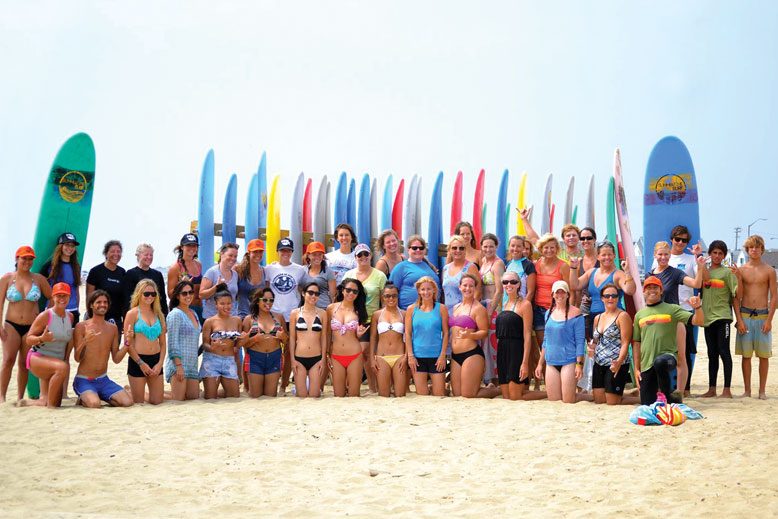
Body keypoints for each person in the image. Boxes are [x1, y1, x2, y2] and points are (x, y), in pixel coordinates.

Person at [632, 276, 704, 405]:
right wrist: (637, 368)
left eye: (655, 287)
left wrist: (698, 308)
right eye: (648, 288)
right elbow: (637, 343)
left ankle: (671, 398)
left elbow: (698, 321)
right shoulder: (639, 315)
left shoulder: (672, 309)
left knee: (660, 362)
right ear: (643, 291)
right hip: (647, 364)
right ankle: (665, 399)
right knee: (647, 404)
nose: (652, 290)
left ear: (661, 291)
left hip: (668, 358)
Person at [649, 241, 705, 396]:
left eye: (666, 254)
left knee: (681, 357)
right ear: (655, 255)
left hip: (674, 320)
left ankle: (680, 392)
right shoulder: (650, 275)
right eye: (660, 254)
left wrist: (699, 267)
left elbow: (696, 283)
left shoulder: (675, 273)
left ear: (670, 255)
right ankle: (660, 391)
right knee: (656, 358)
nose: (663, 257)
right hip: (656, 322)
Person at [0, 246, 51, 403]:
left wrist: (45, 318)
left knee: (24, 363)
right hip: (11, 325)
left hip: (31, 328)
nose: (27, 262)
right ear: (17, 259)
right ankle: (1, 396)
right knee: (8, 360)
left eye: (30, 259)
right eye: (24, 258)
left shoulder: (39, 279)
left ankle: (20, 397)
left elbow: (53, 298)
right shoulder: (7, 279)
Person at [72, 290, 134, 408]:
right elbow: (77, 358)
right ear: (91, 305)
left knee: (127, 402)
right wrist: (85, 341)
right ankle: (86, 397)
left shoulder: (112, 328)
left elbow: (116, 359)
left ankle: (96, 395)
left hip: (103, 380)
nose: (102, 305)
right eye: (98, 302)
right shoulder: (81, 326)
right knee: (94, 404)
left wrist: (127, 343)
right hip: (84, 379)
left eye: (105, 302)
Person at [732, 235, 776, 399]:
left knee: (764, 356)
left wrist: (770, 320)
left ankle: (762, 391)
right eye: (751, 247)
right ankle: (747, 390)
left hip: (763, 316)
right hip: (745, 315)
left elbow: (775, 297)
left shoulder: (769, 270)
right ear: (747, 250)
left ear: (762, 249)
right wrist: (739, 320)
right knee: (746, 356)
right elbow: (737, 297)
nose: (754, 250)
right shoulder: (741, 270)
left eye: (757, 247)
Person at [568, 241, 636, 339]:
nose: (607, 257)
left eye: (609, 255)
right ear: (598, 256)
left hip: (614, 318)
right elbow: (575, 285)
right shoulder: (591, 272)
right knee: (595, 349)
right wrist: (573, 267)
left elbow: (630, 290)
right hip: (594, 318)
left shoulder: (618, 274)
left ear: (614, 256)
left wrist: (627, 272)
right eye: (603, 255)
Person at [264, 238, 306, 394]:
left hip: (292, 316)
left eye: (288, 250)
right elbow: (266, 290)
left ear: (292, 252)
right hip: (274, 315)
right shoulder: (269, 269)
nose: (285, 253)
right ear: (278, 251)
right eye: (282, 250)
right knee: (273, 349)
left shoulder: (300, 270)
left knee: (289, 351)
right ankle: (272, 381)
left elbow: (304, 288)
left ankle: (284, 384)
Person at [21, 282, 73, 407]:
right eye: (58, 295)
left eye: (64, 295)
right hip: (38, 358)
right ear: (53, 297)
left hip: (55, 362)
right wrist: (41, 338)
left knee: (56, 402)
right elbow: (28, 339)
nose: (61, 299)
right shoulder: (46, 315)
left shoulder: (70, 317)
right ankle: (49, 409)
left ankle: (32, 402)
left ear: (69, 297)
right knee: (63, 368)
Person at [534, 281, 586, 403]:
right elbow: (546, 341)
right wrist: (540, 363)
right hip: (551, 361)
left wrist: (579, 365)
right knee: (554, 402)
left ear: (568, 294)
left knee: (568, 401)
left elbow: (580, 342)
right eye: (557, 292)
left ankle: (589, 397)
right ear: (552, 294)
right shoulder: (548, 313)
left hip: (569, 360)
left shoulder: (576, 314)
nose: (560, 294)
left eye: (563, 291)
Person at [496, 271, 545, 401]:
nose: (509, 284)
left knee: (516, 396)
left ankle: (552, 394)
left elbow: (527, 335)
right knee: (506, 396)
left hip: (516, 350)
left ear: (519, 284)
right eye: (505, 282)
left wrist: (524, 363)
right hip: (502, 350)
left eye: (513, 282)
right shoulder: (503, 304)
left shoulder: (525, 304)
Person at [345, 243, 387, 393]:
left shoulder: (379, 276)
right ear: (355, 257)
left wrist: (382, 319)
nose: (363, 257)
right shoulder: (348, 275)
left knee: (365, 354)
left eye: (366, 254)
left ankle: (372, 387)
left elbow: (384, 300)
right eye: (359, 255)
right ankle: (352, 385)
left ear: (370, 256)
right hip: (351, 319)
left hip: (370, 320)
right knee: (352, 354)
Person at [449, 274, 498, 398]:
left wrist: (470, 335)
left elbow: (484, 332)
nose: (468, 288)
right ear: (459, 287)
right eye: (465, 285)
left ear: (475, 288)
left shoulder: (478, 308)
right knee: (457, 394)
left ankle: (498, 390)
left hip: (471, 354)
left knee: (468, 394)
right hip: (455, 355)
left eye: (471, 286)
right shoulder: (456, 307)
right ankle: (487, 386)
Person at [700, 240, 738, 399]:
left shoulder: (727, 273)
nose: (717, 256)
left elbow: (736, 295)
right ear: (710, 254)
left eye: (720, 253)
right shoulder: (704, 271)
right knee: (711, 354)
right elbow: (703, 285)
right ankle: (712, 388)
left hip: (723, 317)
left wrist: (739, 319)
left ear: (724, 255)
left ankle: (727, 390)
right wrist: (700, 262)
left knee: (724, 352)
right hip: (708, 318)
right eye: (714, 252)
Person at [590, 284, 639, 405]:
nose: (610, 298)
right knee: (599, 400)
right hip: (599, 361)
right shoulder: (598, 318)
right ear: (602, 298)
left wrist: (619, 362)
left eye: (614, 295)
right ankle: (628, 393)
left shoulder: (622, 316)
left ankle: (646, 399)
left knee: (612, 402)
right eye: (607, 296)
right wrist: (591, 347)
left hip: (616, 362)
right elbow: (595, 339)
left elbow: (625, 343)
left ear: (618, 298)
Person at [123, 279, 167, 404]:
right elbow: (128, 343)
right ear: (139, 294)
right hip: (138, 360)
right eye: (146, 294)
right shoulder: (132, 314)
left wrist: (160, 364)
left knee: (157, 401)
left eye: (153, 294)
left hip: (156, 359)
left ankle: (130, 390)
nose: (150, 297)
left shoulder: (158, 314)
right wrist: (141, 363)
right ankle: (130, 390)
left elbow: (163, 343)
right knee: (138, 402)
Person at [405, 276, 448, 396]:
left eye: (429, 289)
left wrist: (442, 356)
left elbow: (445, 333)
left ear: (434, 290)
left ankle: (445, 386)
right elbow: (408, 334)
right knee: (422, 394)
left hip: (436, 356)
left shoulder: (441, 308)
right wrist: (410, 356)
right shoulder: (411, 309)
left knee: (439, 394)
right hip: (418, 356)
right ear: (418, 291)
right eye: (423, 289)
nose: (426, 292)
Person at [240, 287, 287, 397]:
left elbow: (287, 342)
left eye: (271, 300)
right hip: (255, 358)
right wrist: (254, 339)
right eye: (265, 300)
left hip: (274, 358)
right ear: (257, 301)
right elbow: (243, 345)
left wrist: (283, 336)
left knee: (270, 396)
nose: (268, 303)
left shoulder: (278, 317)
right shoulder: (249, 319)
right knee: (255, 396)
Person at [327, 278, 369, 397]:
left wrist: (359, 334)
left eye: (355, 291)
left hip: (354, 355)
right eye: (349, 290)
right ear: (342, 290)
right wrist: (327, 353)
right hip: (336, 355)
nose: (351, 294)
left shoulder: (359, 311)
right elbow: (327, 333)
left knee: (354, 395)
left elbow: (358, 333)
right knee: (338, 395)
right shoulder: (331, 308)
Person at [200, 289, 243, 399]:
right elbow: (205, 344)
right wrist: (212, 347)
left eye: (229, 303)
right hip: (212, 360)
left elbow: (237, 346)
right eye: (222, 303)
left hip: (229, 361)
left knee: (234, 396)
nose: (226, 306)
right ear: (216, 305)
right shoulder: (210, 321)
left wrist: (244, 340)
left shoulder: (237, 320)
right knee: (210, 397)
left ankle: (215, 387)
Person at [288, 282, 328, 398]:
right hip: (299, 358)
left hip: (316, 358)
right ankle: (298, 387)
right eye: (310, 293)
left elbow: (324, 337)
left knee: (314, 395)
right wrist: (292, 360)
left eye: (316, 293)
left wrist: (323, 360)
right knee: (302, 396)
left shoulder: (322, 313)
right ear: (303, 294)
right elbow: (292, 338)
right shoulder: (294, 313)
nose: (313, 296)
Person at [533, 234, 571, 354]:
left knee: (556, 345)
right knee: (543, 347)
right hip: (538, 310)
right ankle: (544, 372)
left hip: (556, 309)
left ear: (557, 249)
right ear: (541, 249)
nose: (549, 250)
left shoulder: (563, 266)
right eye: (546, 247)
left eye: (552, 247)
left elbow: (569, 290)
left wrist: (568, 311)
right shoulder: (536, 264)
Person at [164, 280, 202, 401]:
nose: (188, 296)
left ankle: (163, 392)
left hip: (192, 364)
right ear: (177, 296)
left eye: (190, 292)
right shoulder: (175, 314)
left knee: (192, 397)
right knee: (178, 400)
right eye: (184, 293)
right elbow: (172, 342)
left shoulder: (194, 313)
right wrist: (178, 366)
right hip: (178, 364)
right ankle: (146, 393)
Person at [370, 283, 407, 397]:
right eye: (387, 296)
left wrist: (406, 357)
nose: (391, 298)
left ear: (398, 296)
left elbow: (408, 337)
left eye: (394, 296)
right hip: (382, 357)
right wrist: (372, 358)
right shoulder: (377, 315)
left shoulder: (404, 314)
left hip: (399, 357)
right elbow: (373, 338)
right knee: (383, 395)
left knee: (400, 395)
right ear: (383, 297)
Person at [480, 233, 505, 385]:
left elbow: (499, 290)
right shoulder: (483, 261)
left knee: (493, 343)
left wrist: (490, 311)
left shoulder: (498, 263)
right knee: (485, 344)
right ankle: (486, 376)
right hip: (483, 304)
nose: (488, 249)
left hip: (493, 306)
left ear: (496, 247)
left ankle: (495, 378)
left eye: (491, 246)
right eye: (485, 246)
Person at [389, 235, 439, 310]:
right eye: (414, 248)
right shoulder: (401, 267)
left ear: (425, 250)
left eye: (421, 248)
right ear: (408, 250)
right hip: (409, 312)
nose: (418, 250)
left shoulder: (429, 266)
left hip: (432, 311)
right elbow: (391, 291)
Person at [40, 232, 82, 322]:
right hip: (54, 309)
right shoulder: (50, 266)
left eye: (72, 246)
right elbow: (41, 284)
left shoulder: (77, 267)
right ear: (60, 246)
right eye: (67, 245)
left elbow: (76, 289)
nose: (70, 248)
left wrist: (77, 309)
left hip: (72, 310)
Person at [86, 240, 126, 334]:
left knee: (115, 348)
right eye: (112, 251)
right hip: (97, 317)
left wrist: (124, 319)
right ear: (106, 253)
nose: (116, 254)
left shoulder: (122, 272)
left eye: (118, 251)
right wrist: (91, 317)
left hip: (116, 319)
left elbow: (124, 298)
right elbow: (89, 297)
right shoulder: (95, 271)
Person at [123, 243, 169, 317]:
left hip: (155, 315)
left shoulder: (158, 274)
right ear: (138, 255)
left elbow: (162, 298)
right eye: (146, 255)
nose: (149, 257)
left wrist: (165, 316)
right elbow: (127, 300)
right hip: (138, 316)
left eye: (151, 255)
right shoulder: (131, 274)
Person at [167, 233, 203, 322]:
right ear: (182, 247)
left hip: (199, 308)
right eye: (188, 245)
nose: (192, 248)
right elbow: (170, 294)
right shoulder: (175, 268)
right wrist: (181, 285)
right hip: (183, 310)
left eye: (194, 245)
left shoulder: (198, 264)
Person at [199, 242, 240, 319]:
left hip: (231, 318)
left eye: (235, 256)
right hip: (213, 319)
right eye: (230, 255)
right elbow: (201, 295)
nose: (233, 259)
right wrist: (216, 287)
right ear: (222, 254)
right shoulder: (212, 272)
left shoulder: (235, 274)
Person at [442, 234, 480, 315]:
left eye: (461, 248)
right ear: (449, 250)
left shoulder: (471, 267)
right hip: (447, 313)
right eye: (454, 248)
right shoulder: (445, 268)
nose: (458, 250)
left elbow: (478, 292)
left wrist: (469, 311)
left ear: (465, 250)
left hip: (464, 314)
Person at [301, 241, 336, 309]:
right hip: (306, 309)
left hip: (323, 308)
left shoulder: (328, 272)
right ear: (308, 255)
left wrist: (332, 310)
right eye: (314, 254)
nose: (317, 257)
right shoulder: (302, 270)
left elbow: (333, 295)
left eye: (320, 254)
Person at [504, 235, 536, 302]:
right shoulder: (509, 264)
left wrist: (523, 307)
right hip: (506, 305)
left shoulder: (528, 265)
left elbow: (531, 292)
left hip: (520, 306)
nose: (515, 249)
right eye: (513, 246)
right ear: (509, 247)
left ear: (523, 248)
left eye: (518, 246)